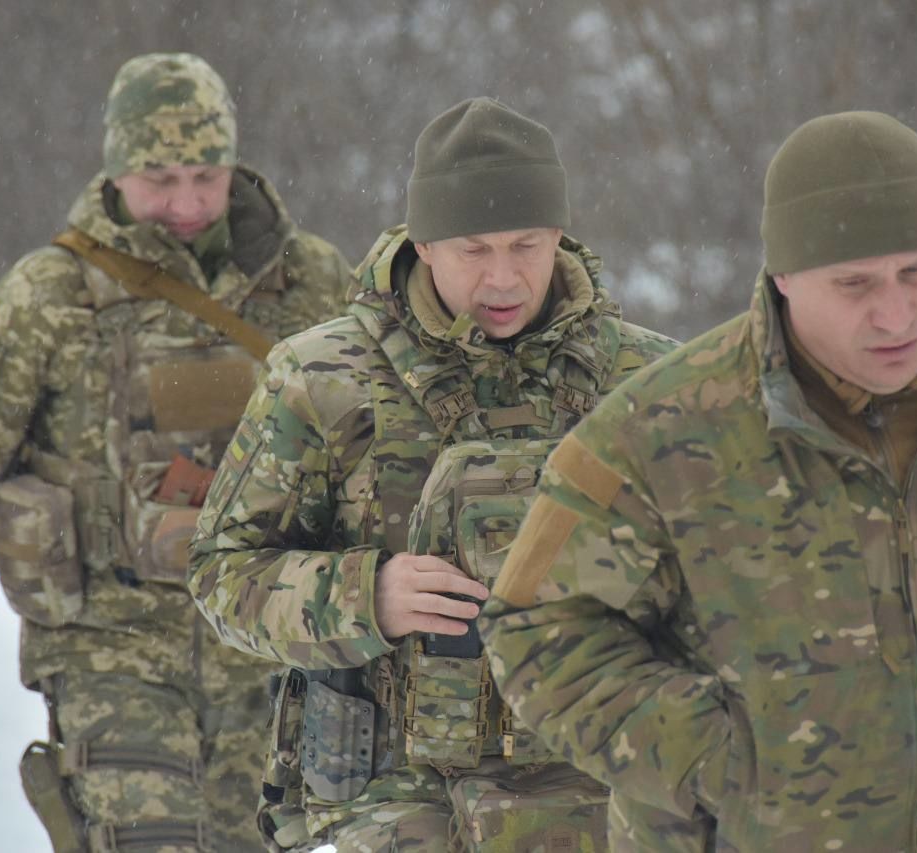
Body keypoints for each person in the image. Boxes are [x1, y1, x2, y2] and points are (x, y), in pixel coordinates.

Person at [479, 111, 917, 852]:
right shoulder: (657, 430)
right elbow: (538, 627)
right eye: (855, 282)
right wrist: (721, 759)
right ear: (785, 278)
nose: (896, 313)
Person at [0, 53, 352, 851]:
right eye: (159, 178)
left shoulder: (310, 282)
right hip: (108, 644)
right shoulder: (51, 293)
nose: (187, 202)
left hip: (270, 648)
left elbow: (379, 440)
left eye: (205, 173)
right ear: (117, 172)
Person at [187, 97, 677, 851]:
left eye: (528, 244)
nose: (505, 276)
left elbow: (720, 573)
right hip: (393, 782)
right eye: (473, 249)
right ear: (423, 242)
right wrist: (364, 594)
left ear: (561, 237)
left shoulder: (643, 377)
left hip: (595, 759)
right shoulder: (325, 376)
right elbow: (221, 574)